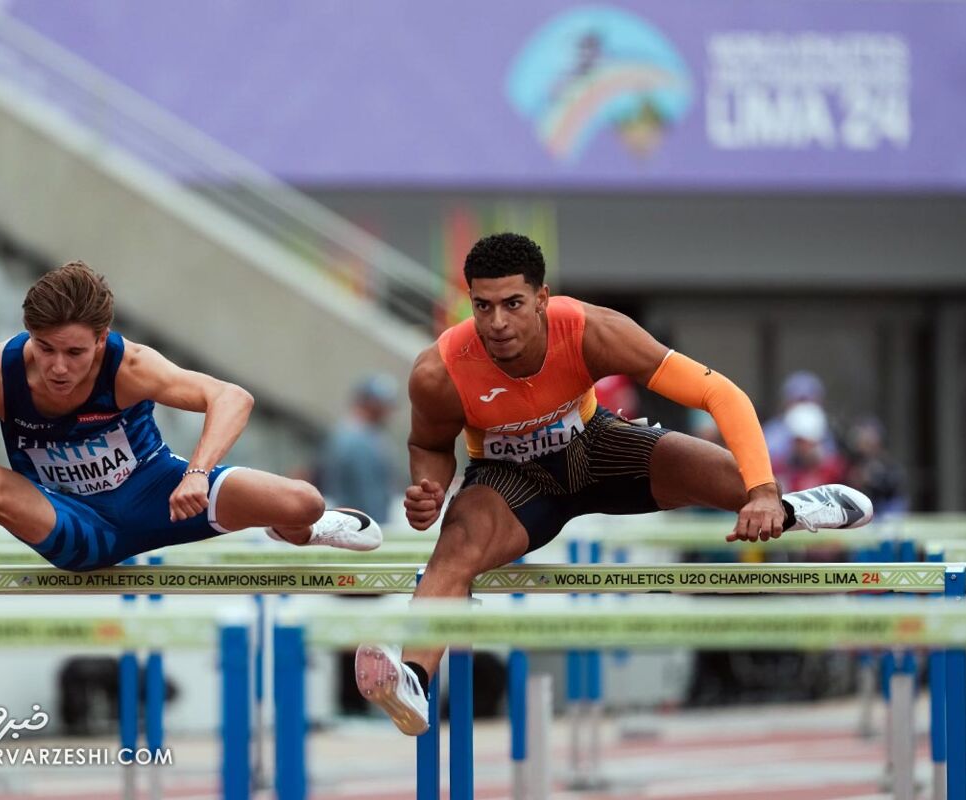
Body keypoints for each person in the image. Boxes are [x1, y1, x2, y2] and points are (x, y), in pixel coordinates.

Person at [353, 233, 873, 735]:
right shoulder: (439, 371)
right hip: (510, 480)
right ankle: (414, 682)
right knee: (456, 546)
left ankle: (795, 507)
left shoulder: (590, 330)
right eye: (483, 306)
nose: (498, 322)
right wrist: (430, 488)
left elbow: (722, 394)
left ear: (542, 299)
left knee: (733, 476)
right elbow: (428, 445)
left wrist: (761, 493)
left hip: (595, 450)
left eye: (512, 303)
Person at [0, 262, 381, 608]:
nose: (57, 368)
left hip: (161, 497)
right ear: (28, 335)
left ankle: (298, 529)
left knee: (304, 501)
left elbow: (232, 398)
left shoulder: (130, 366)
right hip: (77, 524)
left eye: (75, 353)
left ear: (101, 339)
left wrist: (198, 474)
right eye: (45, 349)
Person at [319, 374, 400, 525]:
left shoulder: (366, 434)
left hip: (359, 524)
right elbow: (366, 494)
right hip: (361, 525)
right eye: (383, 403)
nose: (389, 409)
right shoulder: (356, 439)